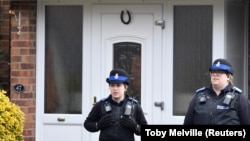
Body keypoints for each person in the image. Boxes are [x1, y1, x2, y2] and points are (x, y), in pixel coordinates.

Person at [84, 68, 147, 141]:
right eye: (112, 85)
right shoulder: (101, 105)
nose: (115, 88)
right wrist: (98, 125)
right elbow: (87, 124)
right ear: (109, 87)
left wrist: (135, 126)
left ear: (125, 87)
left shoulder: (134, 106)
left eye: (118, 85)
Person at [184, 58, 250, 125]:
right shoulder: (199, 96)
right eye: (213, 72)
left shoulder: (239, 98)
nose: (215, 74)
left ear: (228, 77)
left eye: (220, 72)